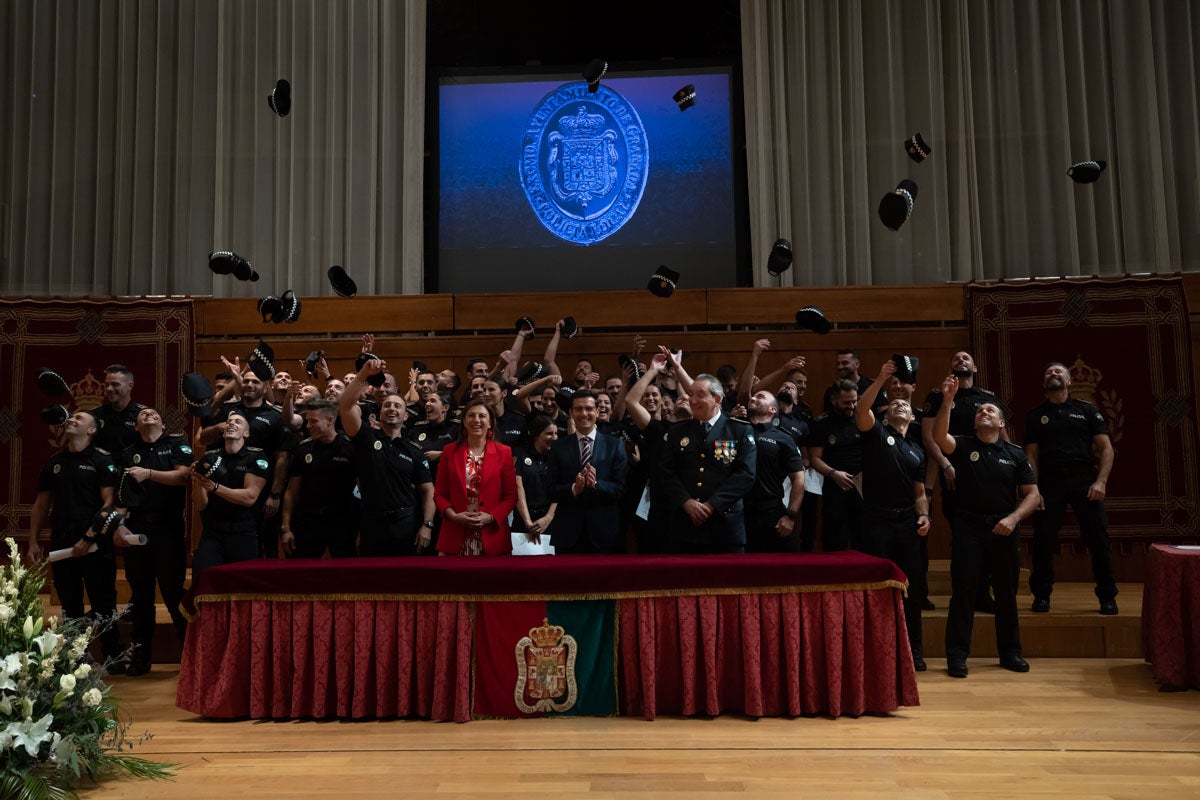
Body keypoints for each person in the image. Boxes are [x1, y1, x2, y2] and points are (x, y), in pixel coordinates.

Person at [932, 373, 1040, 679]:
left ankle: (1010, 653)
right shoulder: (964, 445)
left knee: (1005, 594)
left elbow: (1033, 495)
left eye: (991, 410)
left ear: (1002, 423)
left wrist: (1013, 518)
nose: (984, 411)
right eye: (980, 410)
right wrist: (948, 400)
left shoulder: (1015, 454)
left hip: (1004, 529)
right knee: (963, 592)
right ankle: (956, 656)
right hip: (968, 528)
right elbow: (940, 438)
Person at [27, 410, 123, 672]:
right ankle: (75, 657)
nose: (71, 420)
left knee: (103, 601)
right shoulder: (54, 462)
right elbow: (41, 505)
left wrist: (89, 537)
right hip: (62, 542)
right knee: (70, 603)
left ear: (91, 430)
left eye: (79, 419)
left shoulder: (102, 461)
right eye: (71, 418)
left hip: (95, 543)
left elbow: (109, 504)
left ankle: (113, 655)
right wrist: (33, 541)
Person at [1025, 361, 1118, 615]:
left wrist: (1101, 482)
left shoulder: (1087, 411)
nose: (1053, 374)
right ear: (1044, 382)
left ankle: (1107, 596)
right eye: (1048, 372)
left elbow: (1106, 448)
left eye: (1058, 372)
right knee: (1043, 540)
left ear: (1069, 381)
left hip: (1084, 479)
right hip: (1050, 481)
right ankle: (1042, 595)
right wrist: (1034, 490)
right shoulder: (1035, 415)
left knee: (1099, 539)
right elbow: (1030, 456)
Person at [856, 362, 931, 671]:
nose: (900, 403)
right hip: (876, 521)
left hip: (907, 524)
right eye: (894, 403)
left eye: (906, 404)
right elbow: (862, 409)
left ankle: (913, 650)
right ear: (885, 414)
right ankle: (875, 650)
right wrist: (882, 378)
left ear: (912, 417)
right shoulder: (875, 433)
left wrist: (924, 516)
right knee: (877, 587)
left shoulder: (916, 449)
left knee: (910, 589)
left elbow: (920, 494)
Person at [922, 351, 1002, 613]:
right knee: (963, 538)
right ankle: (964, 594)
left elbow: (1002, 436)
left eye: (965, 358)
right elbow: (930, 437)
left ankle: (983, 593)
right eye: (955, 358)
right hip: (954, 474)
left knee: (990, 536)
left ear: (975, 367)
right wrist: (945, 465)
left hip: (987, 475)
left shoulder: (987, 399)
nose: (960, 360)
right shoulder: (938, 396)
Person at [117, 407, 192, 675]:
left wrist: (148, 473)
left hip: (168, 529)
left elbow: (183, 476)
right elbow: (123, 498)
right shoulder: (128, 452)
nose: (148, 414)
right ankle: (141, 656)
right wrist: (120, 526)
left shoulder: (176, 444)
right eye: (142, 414)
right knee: (140, 597)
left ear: (162, 421)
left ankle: (190, 654)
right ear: (136, 426)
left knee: (173, 593)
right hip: (137, 532)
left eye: (153, 413)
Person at [339, 358, 435, 556]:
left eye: (398, 406)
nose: (392, 408)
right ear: (379, 412)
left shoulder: (414, 450)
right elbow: (346, 406)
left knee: (406, 580)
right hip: (372, 521)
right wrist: (363, 374)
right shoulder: (365, 437)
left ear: (405, 416)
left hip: (406, 521)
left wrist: (427, 525)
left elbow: (428, 491)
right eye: (387, 406)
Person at [658, 374, 757, 554]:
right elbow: (666, 472)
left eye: (699, 395)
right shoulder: (677, 431)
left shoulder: (739, 429)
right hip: (685, 527)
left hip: (725, 527)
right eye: (691, 394)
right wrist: (686, 502)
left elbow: (746, 474)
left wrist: (712, 505)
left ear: (717, 399)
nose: (692, 400)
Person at [189, 411, 269, 582]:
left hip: (243, 533)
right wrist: (198, 482)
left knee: (243, 585)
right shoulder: (211, 457)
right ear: (223, 431)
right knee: (202, 578)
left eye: (238, 422)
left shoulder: (256, 457)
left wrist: (215, 487)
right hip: (213, 533)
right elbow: (200, 505)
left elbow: (249, 497)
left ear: (246, 433)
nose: (232, 424)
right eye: (229, 421)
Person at [547, 389, 627, 554]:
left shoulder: (614, 445)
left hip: (605, 534)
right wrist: (573, 489)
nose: (584, 413)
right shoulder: (558, 447)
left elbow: (621, 489)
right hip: (568, 534)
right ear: (571, 413)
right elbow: (550, 491)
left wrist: (596, 484)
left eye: (589, 409)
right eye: (578, 409)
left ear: (597, 411)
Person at [434, 397, 518, 555]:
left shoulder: (504, 452)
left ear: (491, 422)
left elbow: (511, 496)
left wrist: (491, 517)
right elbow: (439, 494)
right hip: (456, 530)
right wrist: (453, 516)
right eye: (471, 415)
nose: (476, 420)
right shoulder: (449, 452)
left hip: (492, 533)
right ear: (464, 421)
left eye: (482, 416)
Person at [280, 400, 358, 558]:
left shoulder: (350, 448)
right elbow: (291, 491)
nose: (307, 426)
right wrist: (286, 527)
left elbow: (364, 490)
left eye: (313, 421)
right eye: (307, 420)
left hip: (342, 521)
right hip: (308, 520)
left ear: (330, 420)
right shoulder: (303, 448)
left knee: (346, 573)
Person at [744, 390, 805, 553]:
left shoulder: (783, 438)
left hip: (770, 511)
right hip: (738, 512)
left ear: (772, 409)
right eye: (753, 396)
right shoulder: (736, 431)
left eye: (760, 397)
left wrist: (790, 516)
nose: (753, 398)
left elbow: (798, 478)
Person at [809, 379, 864, 552]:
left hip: (863, 488)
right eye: (846, 402)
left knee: (863, 538)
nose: (852, 406)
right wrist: (834, 474)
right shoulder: (821, 424)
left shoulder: (863, 420)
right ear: (834, 400)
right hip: (835, 487)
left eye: (855, 401)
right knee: (834, 539)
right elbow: (814, 459)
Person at [513, 415, 559, 545]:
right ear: (536, 435)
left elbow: (560, 491)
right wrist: (528, 523)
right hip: (523, 521)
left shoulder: (558, 457)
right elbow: (518, 488)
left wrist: (548, 518)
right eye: (549, 433)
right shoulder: (520, 455)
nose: (554, 437)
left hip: (549, 521)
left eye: (556, 433)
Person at [92, 364, 145, 456]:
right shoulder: (94, 415)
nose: (109, 389)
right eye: (107, 385)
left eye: (115, 384)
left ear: (130, 386)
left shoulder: (143, 415)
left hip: (134, 467)